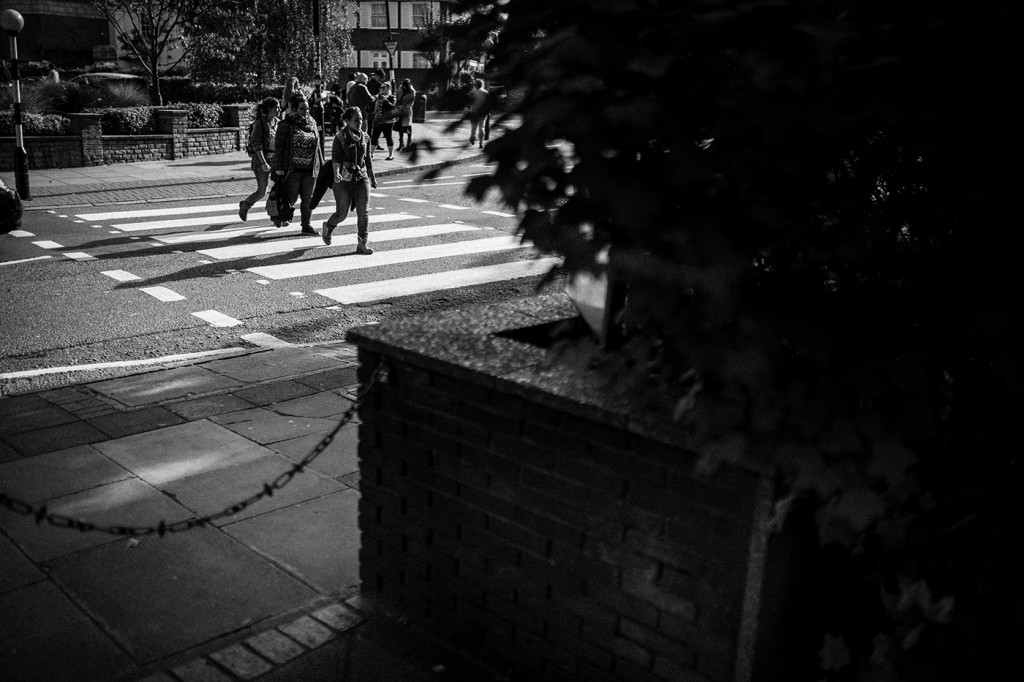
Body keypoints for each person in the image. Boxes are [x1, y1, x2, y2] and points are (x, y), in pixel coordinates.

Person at [321, 107, 377, 254]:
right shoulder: (340, 138)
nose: (360, 122)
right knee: (342, 214)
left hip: (361, 176)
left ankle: (362, 243)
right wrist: (337, 173)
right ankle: (328, 226)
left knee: (363, 212)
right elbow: (336, 158)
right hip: (344, 180)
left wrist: (372, 176)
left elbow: (368, 159)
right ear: (347, 121)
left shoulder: (365, 137)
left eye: (360, 119)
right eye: (356, 120)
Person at [273, 93, 324, 236]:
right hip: (292, 170)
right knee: (291, 198)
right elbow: (279, 148)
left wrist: (321, 165)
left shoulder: (313, 123)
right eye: (302, 109)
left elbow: (318, 146)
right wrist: (280, 168)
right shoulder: (286, 125)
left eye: (307, 109)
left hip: (309, 170)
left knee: (308, 198)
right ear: (294, 109)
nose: (306, 112)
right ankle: (277, 214)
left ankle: (306, 225)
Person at [239, 97, 280, 223]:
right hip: (262, 160)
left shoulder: (277, 122)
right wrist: (263, 163)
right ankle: (245, 205)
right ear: (269, 109)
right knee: (262, 191)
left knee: (279, 189)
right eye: (276, 107)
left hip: (275, 160)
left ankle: (277, 214)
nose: (279, 110)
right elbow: (257, 144)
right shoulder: (260, 123)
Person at [370, 81, 398, 160]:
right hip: (378, 120)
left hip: (388, 121)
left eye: (383, 87)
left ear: (389, 88)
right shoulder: (379, 96)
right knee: (375, 137)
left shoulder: (392, 97)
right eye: (380, 87)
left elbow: (393, 107)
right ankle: (371, 154)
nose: (381, 89)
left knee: (388, 137)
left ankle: (391, 154)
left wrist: (385, 100)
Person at [466, 78, 489, 148]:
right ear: (482, 85)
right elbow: (488, 103)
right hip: (483, 112)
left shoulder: (472, 92)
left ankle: (472, 137)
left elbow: (468, 102)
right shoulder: (486, 93)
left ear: (476, 85)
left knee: (473, 127)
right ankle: (481, 143)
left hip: (474, 112)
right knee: (481, 127)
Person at [396, 78, 416, 150]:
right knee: (400, 127)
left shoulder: (412, 91)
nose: (403, 87)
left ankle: (409, 143)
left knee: (407, 126)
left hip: (407, 110)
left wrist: (403, 106)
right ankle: (401, 143)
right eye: (403, 86)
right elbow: (397, 96)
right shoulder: (400, 88)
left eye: (405, 86)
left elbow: (410, 103)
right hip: (400, 110)